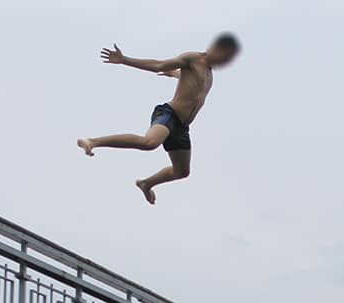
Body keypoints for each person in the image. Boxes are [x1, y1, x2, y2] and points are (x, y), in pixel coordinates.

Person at [76, 33, 241, 203]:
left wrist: (175, 74)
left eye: (227, 60)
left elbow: (192, 81)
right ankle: (92, 141)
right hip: (169, 114)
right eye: (224, 56)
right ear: (214, 48)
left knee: (181, 172)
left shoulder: (208, 73)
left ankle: (146, 184)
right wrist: (125, 59)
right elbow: (158, 64)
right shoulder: (192, 58)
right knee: (149, 143)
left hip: (182, 127)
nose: (224, 62)